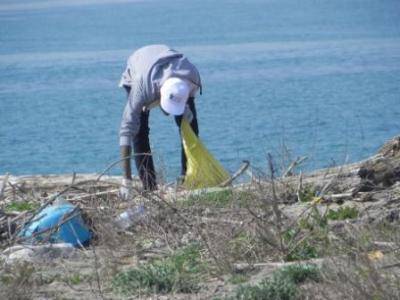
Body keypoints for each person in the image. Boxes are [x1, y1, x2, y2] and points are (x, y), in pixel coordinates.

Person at [118, 44, 202, 198]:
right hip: (141, 68)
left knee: (190, 127)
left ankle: (187, 180)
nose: (168, 113)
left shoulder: (191, 78)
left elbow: (189, 110)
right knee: (139, 132)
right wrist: (126, 179)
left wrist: (188, 116)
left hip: (176, 70)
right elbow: (126, 130)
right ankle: (149, 187)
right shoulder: (142, 88)